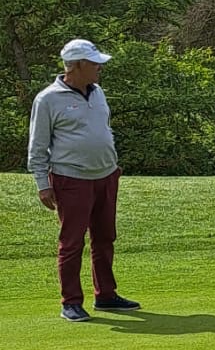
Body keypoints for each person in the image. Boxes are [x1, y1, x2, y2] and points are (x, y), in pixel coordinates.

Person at [26, 39, 139, 323]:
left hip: (106, 175)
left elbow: (102, 129)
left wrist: (111, 163)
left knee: (105, 237)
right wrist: (42, 184)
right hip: (70, 178)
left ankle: (106, 295)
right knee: (72, 242)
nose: (100, 67)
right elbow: (37, 147)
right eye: (94, 63)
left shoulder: (98, 92)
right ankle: (71, 302)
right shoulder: (47, 99)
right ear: (76, 65)